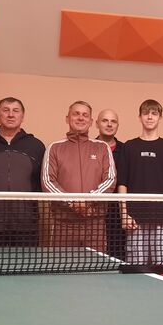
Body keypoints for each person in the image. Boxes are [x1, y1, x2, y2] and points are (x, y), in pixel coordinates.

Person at [117, 100, 163, 265]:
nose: (150, 117)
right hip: (134, 220)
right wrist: (124, 215)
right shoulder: (129, 147)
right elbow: (122, 184)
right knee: (136, 270)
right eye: (146, 113)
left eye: (154, 113)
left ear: (160, 117)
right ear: (140, 117)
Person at [42, 101, 116, 252]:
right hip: (64, 225)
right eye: (76, 114)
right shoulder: (54, 148)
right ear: (67, 118)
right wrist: (73, 202)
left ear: (91, 121)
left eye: (85, 115)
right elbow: (48, 181)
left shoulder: (102, 147)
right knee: (62, 266)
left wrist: (87, 201)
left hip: (95, 225)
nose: (81, 118)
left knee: (96, 266)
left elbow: (110, 179)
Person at [0, 97, 45, 247]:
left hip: (26, 226)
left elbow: (40, 182)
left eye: (15, 111)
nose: (11, 115)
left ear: (22, 116)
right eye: (6, 110)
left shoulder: (36, 146)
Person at [95, 109, 126, 261]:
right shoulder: (88, 147)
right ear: (97, 124)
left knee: (117, 256)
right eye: (105, 120)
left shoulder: (126, 150)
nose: (109, 124)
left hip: (118, 214)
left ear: (117, 125)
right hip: (93, 210)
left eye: (113, 121)